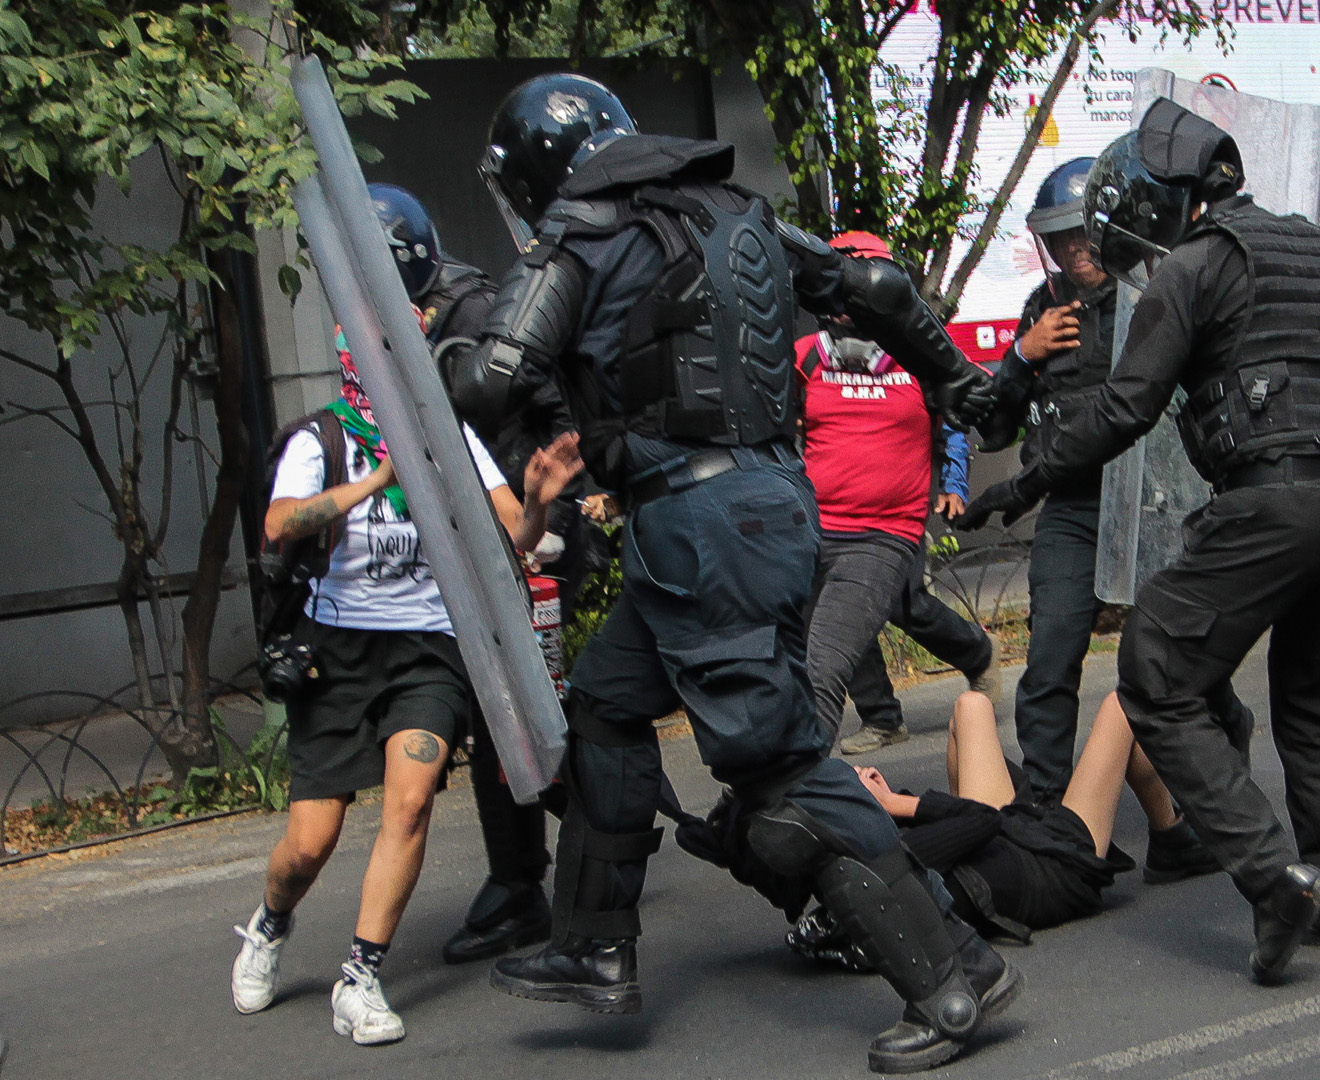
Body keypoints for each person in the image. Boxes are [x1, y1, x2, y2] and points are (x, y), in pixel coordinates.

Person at [441, 74, 1018, 1073]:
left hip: (702, 530)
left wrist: (448, 343)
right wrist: (957, 378)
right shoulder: (726, 208)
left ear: (537, 166)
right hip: (756, 508)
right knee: (608, 707)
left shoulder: (581, 234)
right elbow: (874, 288)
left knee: (781, 769)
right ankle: (593, 944)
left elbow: (492, 378)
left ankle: (952, 975)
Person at [958, 100, 1320, 981]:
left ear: (1167, 199)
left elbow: (1126, 410)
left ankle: (1274, 878)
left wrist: (1019, 485)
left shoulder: (1197, 264)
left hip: (1275, 499)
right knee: (1318, 705)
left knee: (1157, 669)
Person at [229, 332, 583, 1046]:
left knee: (412, 800)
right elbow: (278, 522)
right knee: (309, 844)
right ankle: (270, 923)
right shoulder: (321, 438)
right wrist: (378, 480)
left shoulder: (449, 437)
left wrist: (537, 501)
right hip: (337, 652)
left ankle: (359, 978)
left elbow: (517, 536)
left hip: (429, 647)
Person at [975, 157, 1220, 884]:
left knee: (1178, 664)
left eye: (1081, 235)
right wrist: (1021, 357)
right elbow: (994, 428)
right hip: (1073, 507)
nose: (1071, 251)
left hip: (1154, 506)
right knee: (1049, 659)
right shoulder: (1042, 309)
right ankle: (1047, 819)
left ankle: (1198, 812)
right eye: (1057, 239)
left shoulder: (1155, 293)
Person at [365, 182, 560, 967]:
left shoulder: (470, 311)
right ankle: (548, 866)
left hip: (523, 527)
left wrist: (552, 506)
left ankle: (534, 879)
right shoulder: (407, 311)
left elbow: (542, 405)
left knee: (517, 710)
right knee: (512, 711)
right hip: (475, 535)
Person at [792, 689, 1209, 968]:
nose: (864, 771)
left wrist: (889, 805)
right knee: (1123, 705)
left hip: (999, 840)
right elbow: (979, 819)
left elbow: (965, 823)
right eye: (856, 780)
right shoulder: (893, 858)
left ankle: (1172, 836)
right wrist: (891, 803)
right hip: (1052, 866)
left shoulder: (878, 845)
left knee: (971, 705)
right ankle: (1171, 839)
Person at [795, 230, 1001, 756]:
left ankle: (977, 654)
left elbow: (958, 414)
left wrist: (954, 483)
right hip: (821, 523)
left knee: (909, 607)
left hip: (891, 526)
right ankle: (883, 717)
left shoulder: (919, 353)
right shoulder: (806, 357)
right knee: (834, 622)